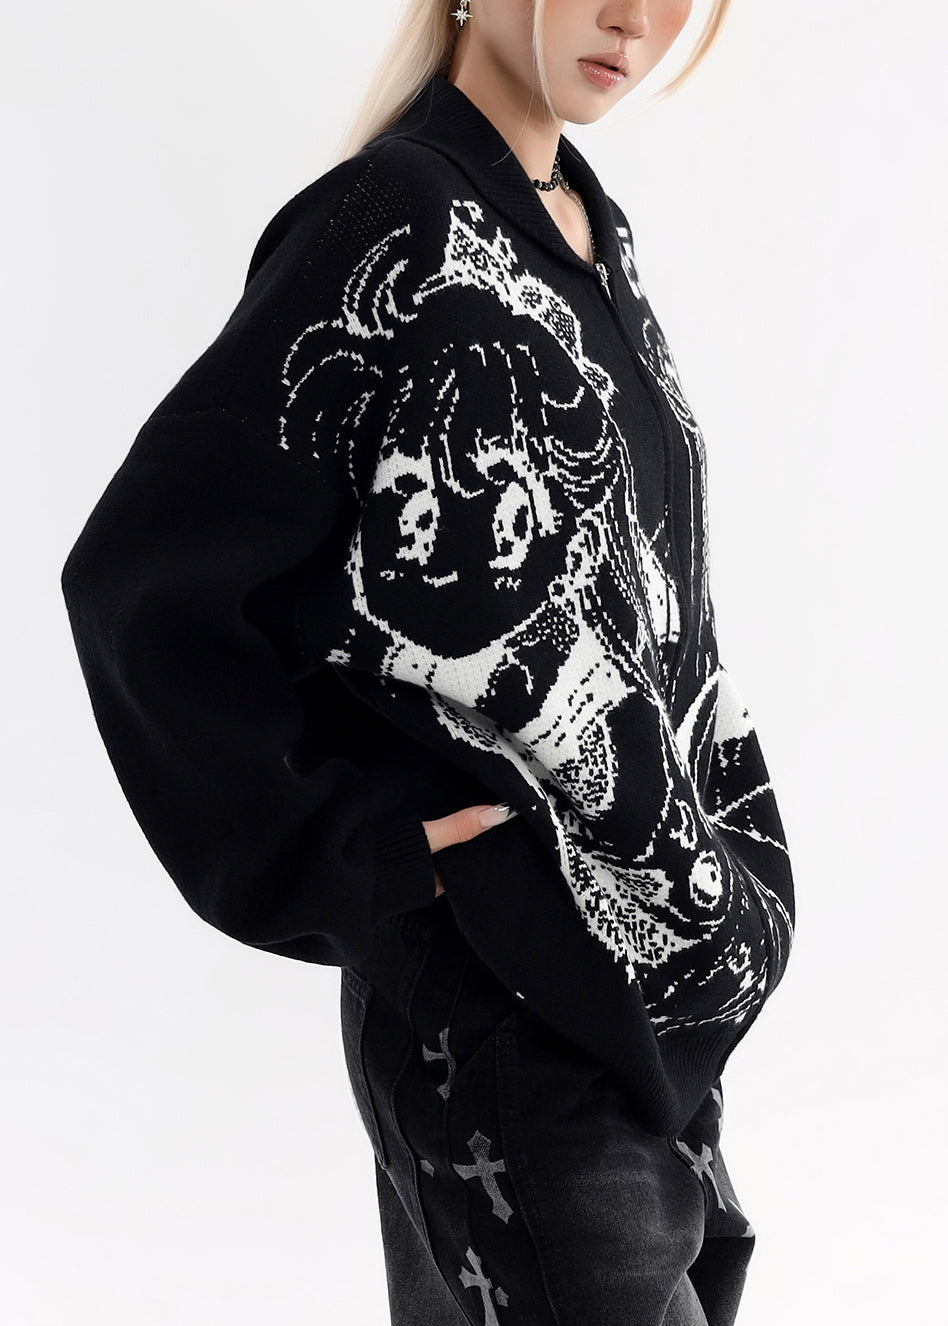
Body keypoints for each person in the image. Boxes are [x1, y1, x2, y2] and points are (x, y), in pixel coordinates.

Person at [61, 2, 796, 1322]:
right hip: (506, 1000)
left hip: (637, 1013)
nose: (637, 16)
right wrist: (367, 848)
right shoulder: (393, 222)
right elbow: (143, 581)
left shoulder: (587, 228)